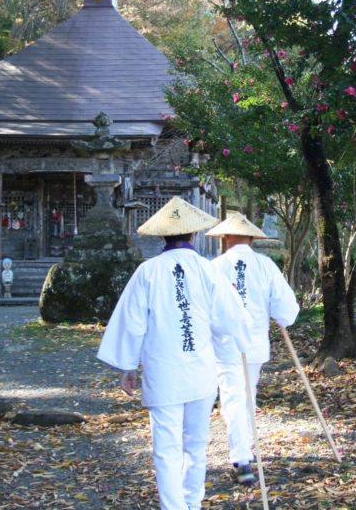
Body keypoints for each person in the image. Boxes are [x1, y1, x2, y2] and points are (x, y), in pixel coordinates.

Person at [96, 197, 253, 510]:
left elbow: (132, 322)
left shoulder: (148, 271)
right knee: (196, 445)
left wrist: (128, 367)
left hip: (162, 372)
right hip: (200, 373)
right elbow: (229, 321)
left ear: (162, 236)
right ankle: (192, 504)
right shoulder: (209, 272)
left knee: (166, 448)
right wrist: (239, 340)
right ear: (193, 234)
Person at [206, 212, 300, 485]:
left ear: (225, 238)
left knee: (233, 398)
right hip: (256, 344)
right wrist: (280, 316)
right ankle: (244, 451)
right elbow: (286, 310)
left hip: (225, 345)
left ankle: (242, 459)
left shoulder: (215, 266)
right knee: (247, 395)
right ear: (251, 238)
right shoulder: (265, 264)